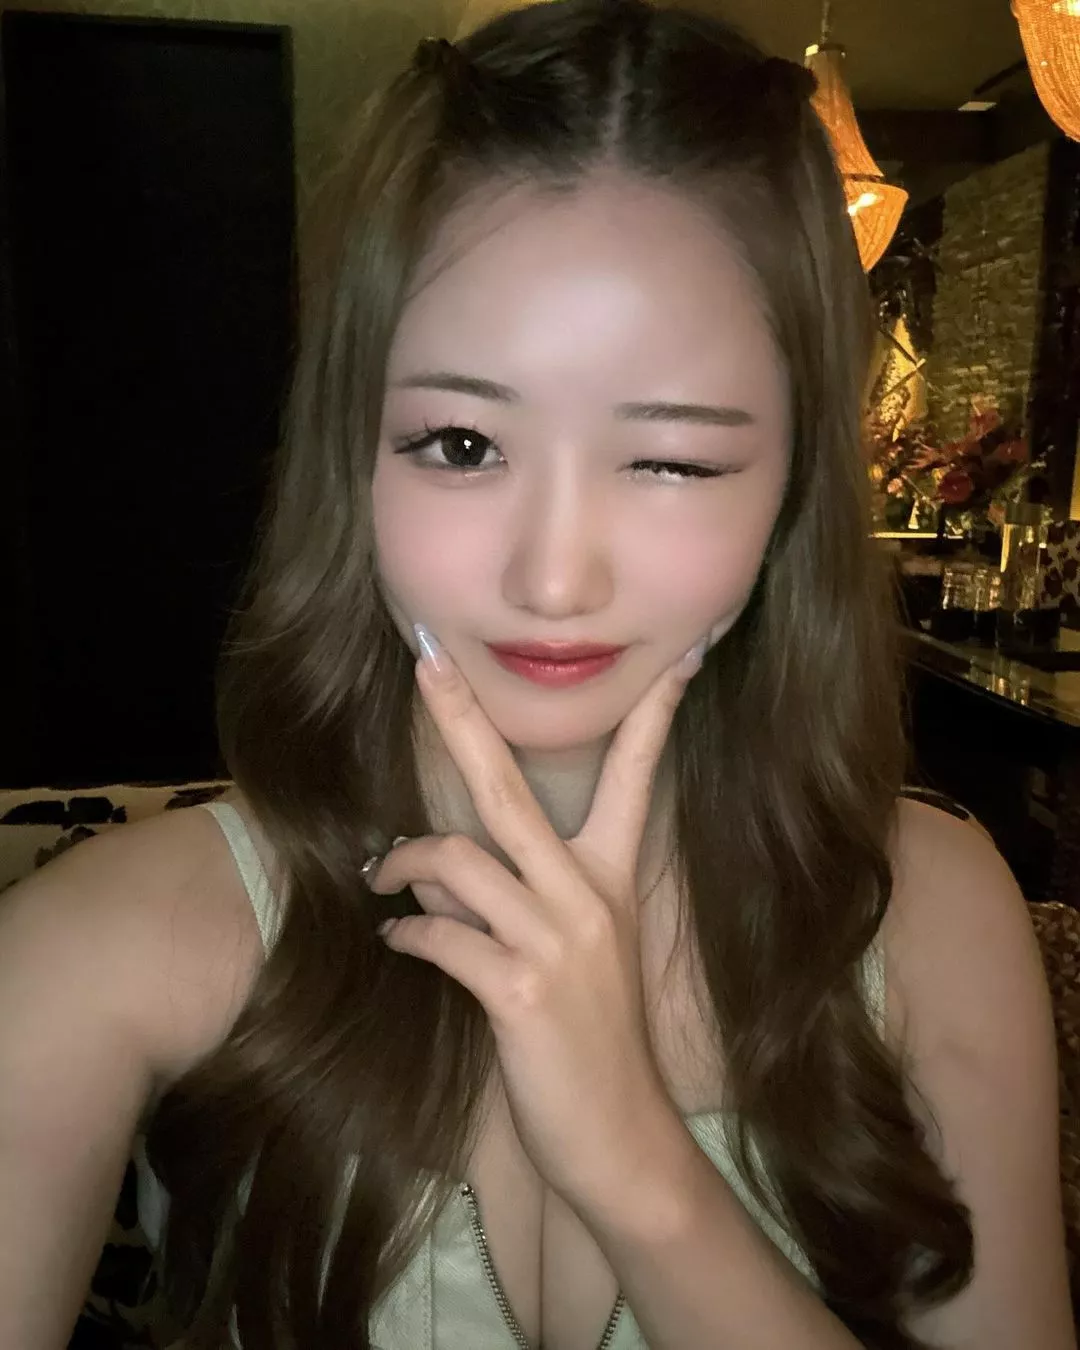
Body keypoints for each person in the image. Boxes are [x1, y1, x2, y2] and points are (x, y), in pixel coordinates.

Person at [0, 2, 1072, 1348]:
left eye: (672, 458)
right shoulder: (97, 947)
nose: (554, 579)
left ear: (796, 486)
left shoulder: (934, 920)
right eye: (460, 445)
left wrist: (632, 1157)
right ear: (355, 454)